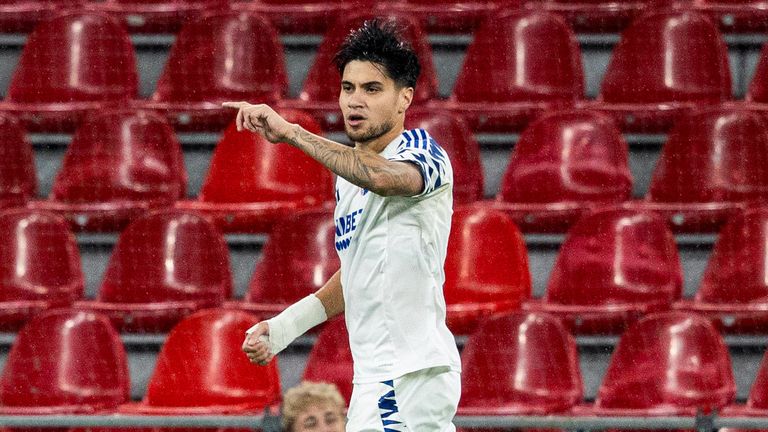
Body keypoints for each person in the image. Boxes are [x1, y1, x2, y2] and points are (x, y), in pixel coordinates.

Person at [225, 17, 461, 432]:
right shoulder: (346, 182)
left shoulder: (422, 151)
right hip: (377, 377)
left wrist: (293, 133)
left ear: (404, 98)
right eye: (348, 88)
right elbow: (355, 277)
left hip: (408, 372)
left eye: (372, 89)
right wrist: (283, 328)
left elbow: (384, 178)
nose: (355, 101)